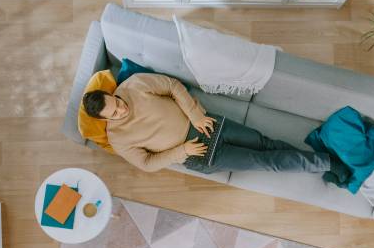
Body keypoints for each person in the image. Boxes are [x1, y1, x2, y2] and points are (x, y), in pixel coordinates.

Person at [82, 73, 341, 179]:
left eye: (117, 102)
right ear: (106, 120)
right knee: (264, 161)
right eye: (115, 113)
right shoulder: (119, 139)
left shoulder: (134, 84)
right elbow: (146, 164)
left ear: (111, 94)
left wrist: (195, 115)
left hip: (207, 124)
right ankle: (328, 164)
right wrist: (182, 152)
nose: (122, 109)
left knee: (265, 143)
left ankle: (320, 161)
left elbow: (172, 86)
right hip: (199, 153)